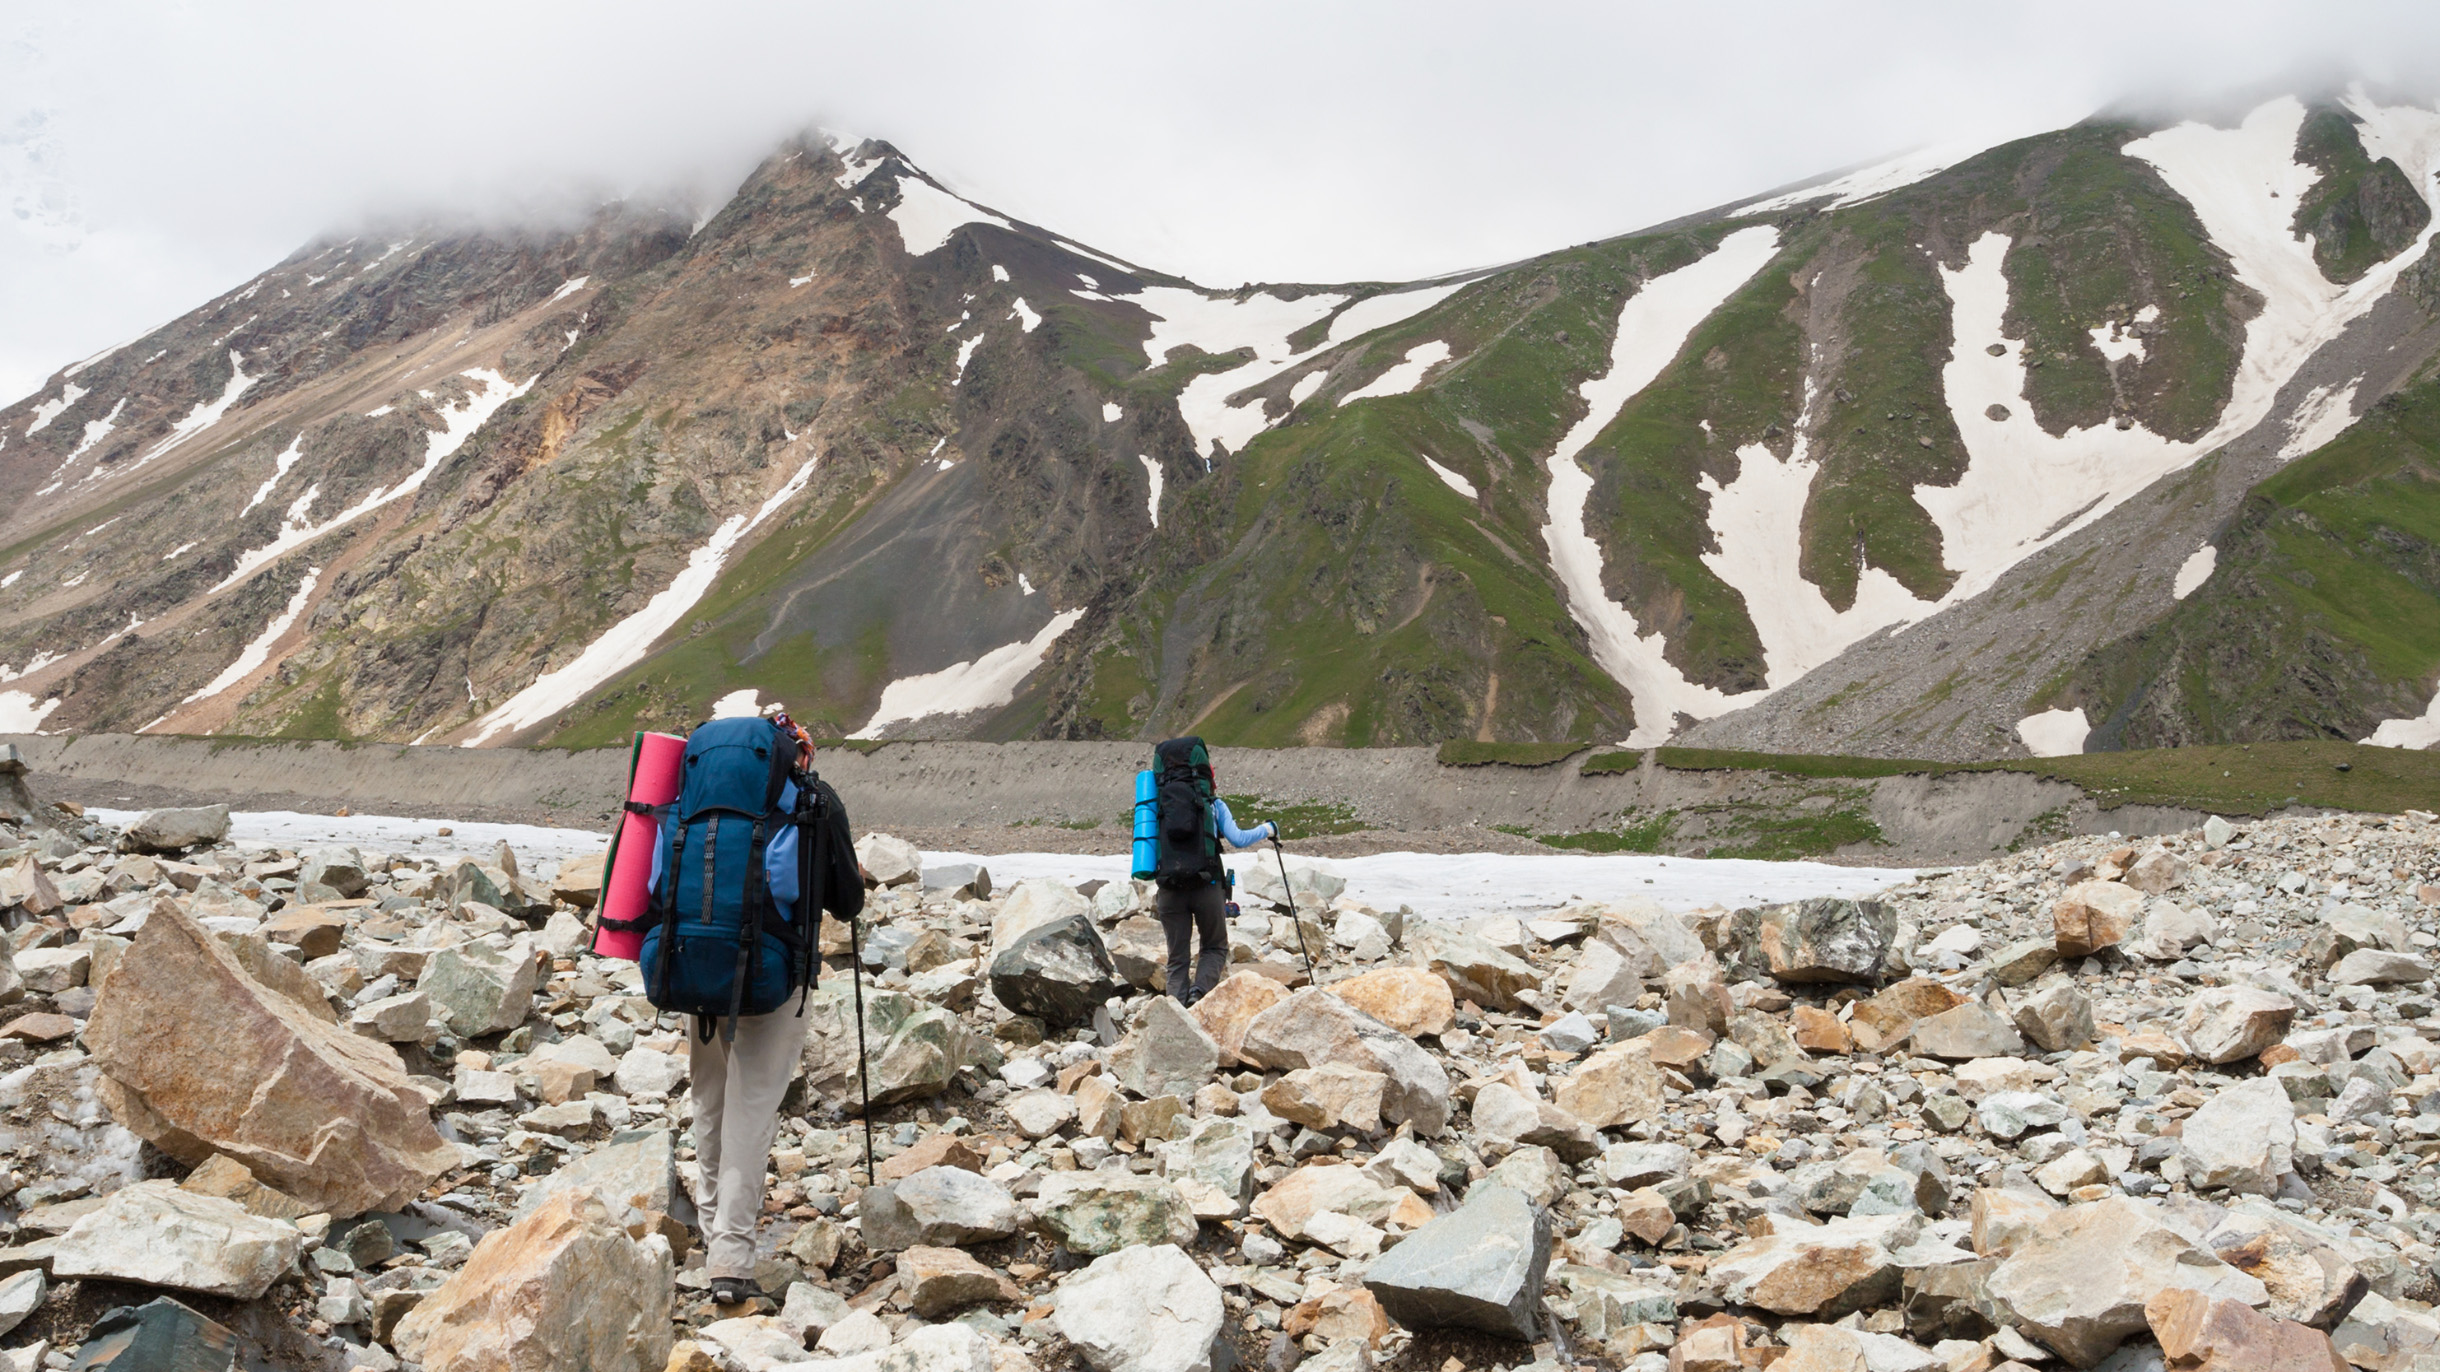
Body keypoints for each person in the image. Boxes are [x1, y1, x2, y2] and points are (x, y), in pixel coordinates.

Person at [660, 711, 864, 1306]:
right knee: (752, 1106)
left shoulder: (688, 801)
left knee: (710, 1095)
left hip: (692, 963)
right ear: (793, 752)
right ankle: (731, 1255)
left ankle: (709, 1226)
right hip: (775, 977)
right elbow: (847, 901)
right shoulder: (811, 797)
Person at [1155, 747, 1275, 1006]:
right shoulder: (1212, 805)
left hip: (1169, 890)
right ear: (1205, 776)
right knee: (1214, 947)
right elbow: (1238, 839)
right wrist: (1268, 829)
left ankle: (1174, 1013)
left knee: (1177, 958)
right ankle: (1199, 995)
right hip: (1206, 886)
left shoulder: (1155, 807)